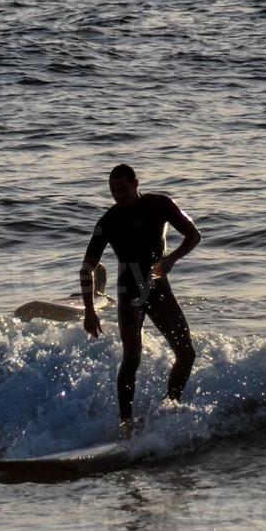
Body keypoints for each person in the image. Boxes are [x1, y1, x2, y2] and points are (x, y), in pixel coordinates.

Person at [81, 163, 200, 432]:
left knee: (186, 354)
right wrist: (90, 311)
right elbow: (87, 267)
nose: (117, 195)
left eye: (122, 189)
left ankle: (170, 405)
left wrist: (171, 259)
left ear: (136, 184)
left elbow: (194, 235)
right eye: (112, 190)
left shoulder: (160, 205)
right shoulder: (108, 221)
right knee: (132, 357)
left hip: (157, 288)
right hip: (128, 292)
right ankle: (125, 423)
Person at [14, 264, 112, 323]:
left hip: (74, 312)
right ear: (104, 281)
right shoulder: (108, 302)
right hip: (76, 313)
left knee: (33, 307)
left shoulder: (104, 300)